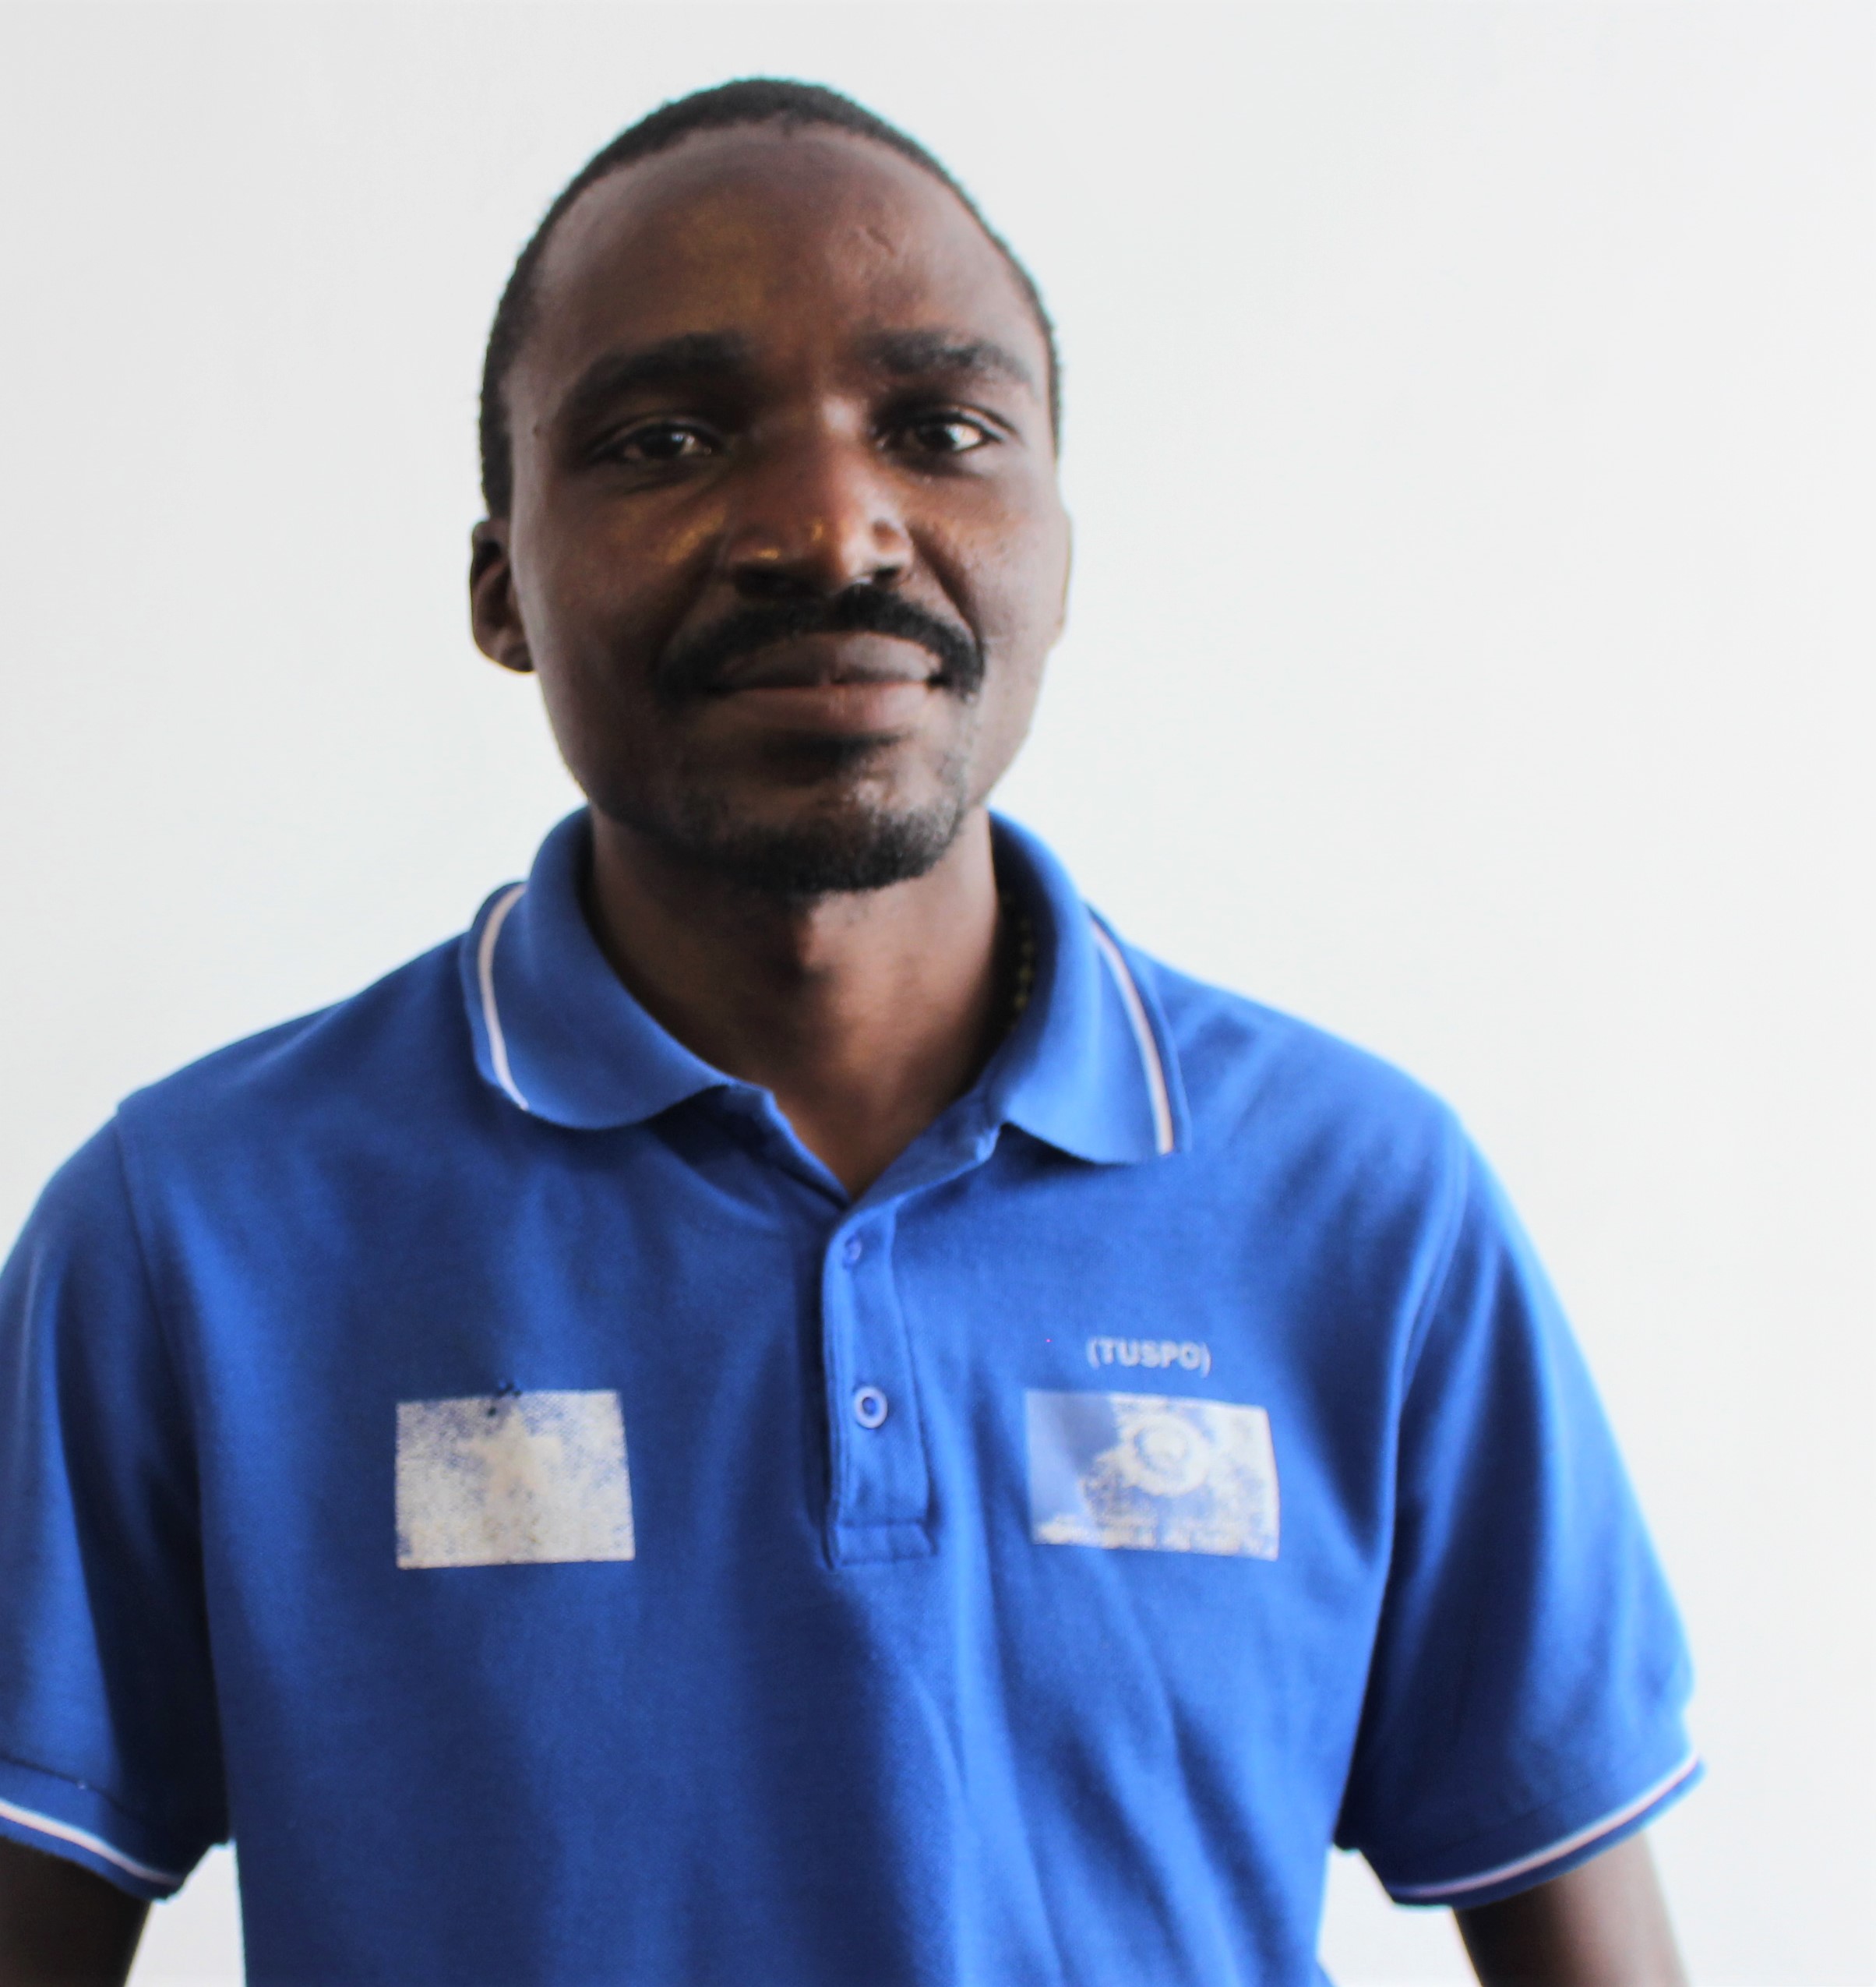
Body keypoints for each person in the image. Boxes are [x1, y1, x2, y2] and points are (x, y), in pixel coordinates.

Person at [0, 79, 1699, 1987]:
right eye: (664, 437)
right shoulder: (192, 1232)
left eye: (940, 429)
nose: (827, 523)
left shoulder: (1364, 1212)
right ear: (501, 589)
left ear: (1057, 540)